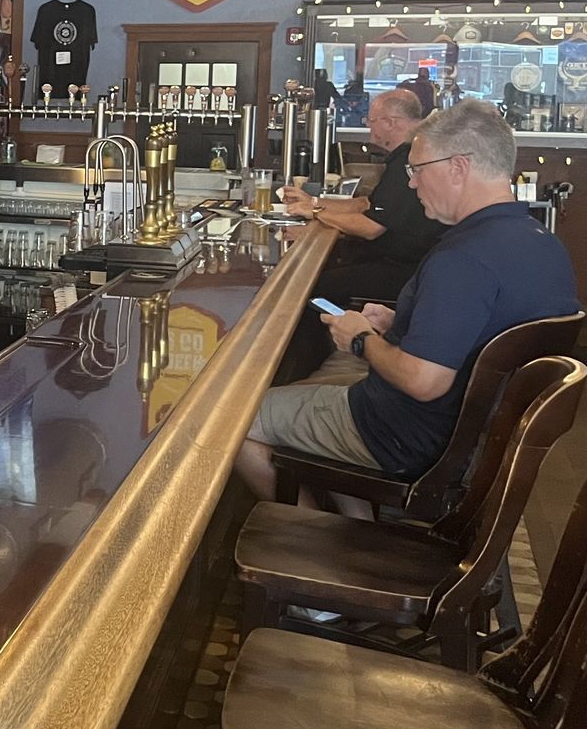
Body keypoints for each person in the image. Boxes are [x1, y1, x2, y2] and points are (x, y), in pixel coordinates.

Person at [235, 99, 578, 506]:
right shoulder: (543, 245)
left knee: (230, 419)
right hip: (467, 438)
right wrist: (401, 321)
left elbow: (423, 380)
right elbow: (480, 332)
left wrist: (362, 339)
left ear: (458, 167)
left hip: (401, 437)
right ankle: (348, 533)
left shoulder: (463, 258)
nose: (412, 183)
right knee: (313, 389)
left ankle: (300, 538)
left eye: (417, 170)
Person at [277, 89, 442, 379]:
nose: (368, 127)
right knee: (319, 273)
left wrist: (314, 214)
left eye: (372, 120)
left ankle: (296, 372)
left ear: (391, 122)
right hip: (403, 263)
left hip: (403, 270)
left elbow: (371, 227)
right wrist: (314, 202)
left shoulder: (407, 160)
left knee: (307, 286)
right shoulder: (405, 156)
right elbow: (368, 204)